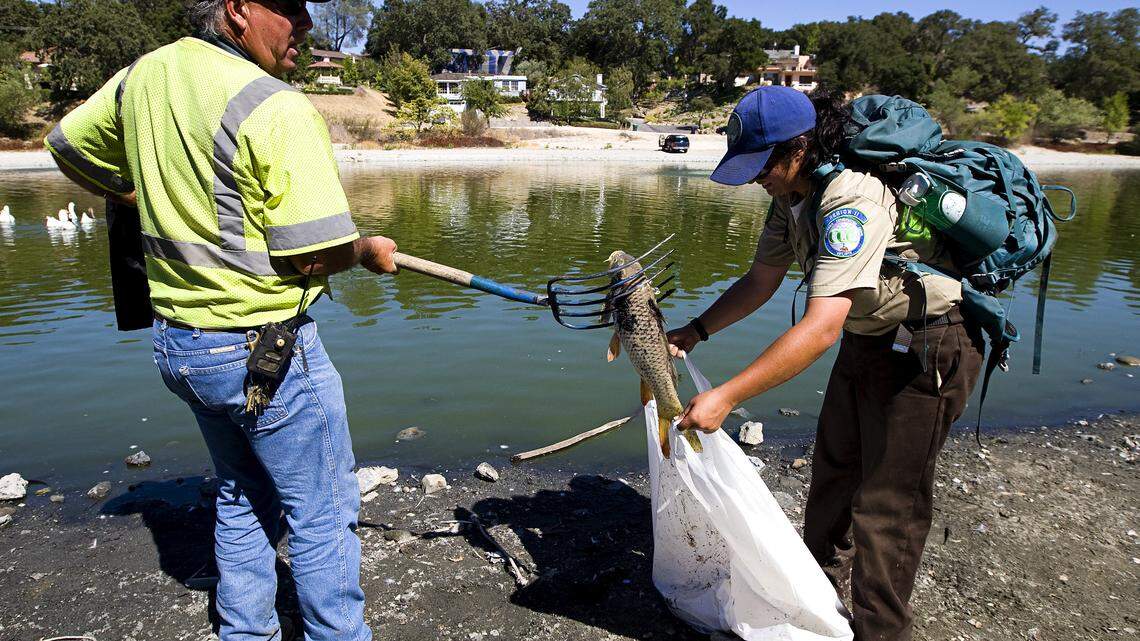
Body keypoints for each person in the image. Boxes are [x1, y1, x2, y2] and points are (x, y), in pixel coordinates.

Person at [44, 0, 396, 639]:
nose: (306, 24)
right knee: (322, 511)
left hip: (180, 345)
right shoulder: (276, 105)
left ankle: (245, 630)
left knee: (242, 490)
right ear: (237, 9)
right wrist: (367, 250)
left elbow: (66, 145)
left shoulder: (144, 75)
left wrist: (140, 194)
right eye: (289, 7)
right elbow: (315, 254)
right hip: (265, 350)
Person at [668, 86, 984, 641]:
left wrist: (727, 397)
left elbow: (819, 328)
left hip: (928, 347)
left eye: (761, 165)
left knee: (886, 508)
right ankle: (813, 610)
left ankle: (882, 633)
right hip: (868, 340)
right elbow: (760, 281)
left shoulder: (851, 199)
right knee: (833, 479)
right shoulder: (790, 196)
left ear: (799, 148)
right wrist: (696, 331)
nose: (754, 178)